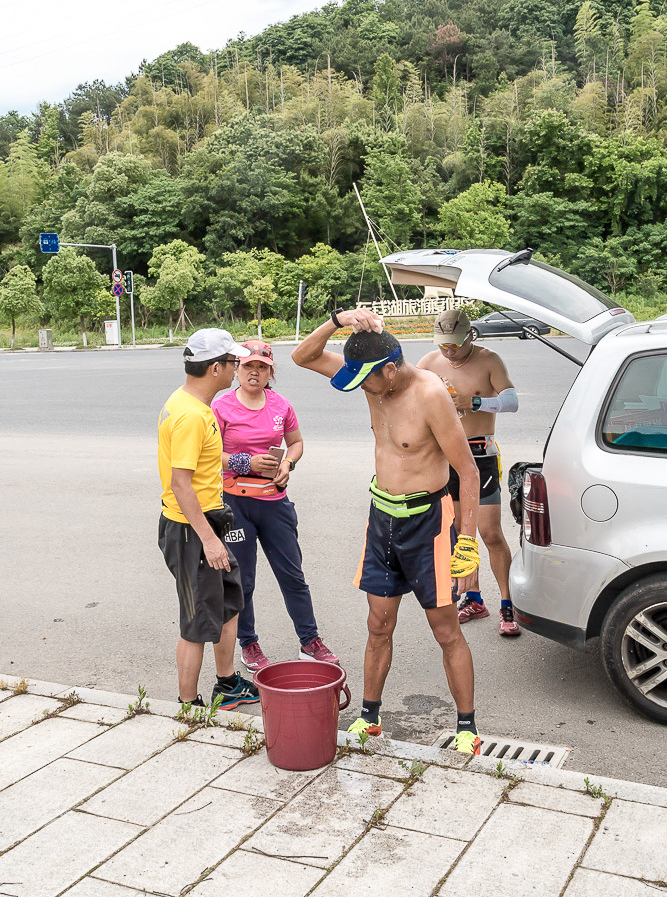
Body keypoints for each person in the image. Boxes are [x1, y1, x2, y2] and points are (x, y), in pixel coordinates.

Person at [293, 309, 482, 755]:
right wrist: (338, 320)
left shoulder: (430, 394)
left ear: (391, 370)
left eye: (367, 381)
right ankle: (369, 718)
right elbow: (304, 356)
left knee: (446, 629)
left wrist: (468, 540)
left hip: (427, 524)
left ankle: (467, 728)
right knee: (378, 624)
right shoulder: (371, 375)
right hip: (382, 519)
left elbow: (468, 472)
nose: (361, 389)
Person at [211, 339, 339, 674]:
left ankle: (309, 641)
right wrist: (245, 462)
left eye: (262, 367)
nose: (254, 372)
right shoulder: (221, 406)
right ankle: (248, 643)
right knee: (244, 580)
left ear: (271, 372)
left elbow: (295, 443)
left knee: (292, 575)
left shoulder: (281, 405)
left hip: (275, 502)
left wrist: (289, 465)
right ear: (237, 369)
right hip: (235, 503)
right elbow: (208, 454)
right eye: (248, 366)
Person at [157, 328, 259, 709]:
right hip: (190, 530)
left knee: (231, 602)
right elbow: (180, 484)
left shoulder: (193, 406)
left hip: (209, 520)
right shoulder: (191, 416)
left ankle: (227, 683)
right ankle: (189, 706)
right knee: (197, 621)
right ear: (215, 367)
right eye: (233, 362)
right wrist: (210, 540)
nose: (236, 369)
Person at [417, 309, 521, 636]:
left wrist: (474, 403)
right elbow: (410, 397)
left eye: (455, 345)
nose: (449, 351)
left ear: (471, 336)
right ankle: (474, 598)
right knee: (461, 532)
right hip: (445, 455)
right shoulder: (429, 362)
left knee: (489, 531)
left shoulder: (490, 360)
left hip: (480, 453)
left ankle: (508, 605)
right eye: (444, 345)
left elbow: (512, 401)